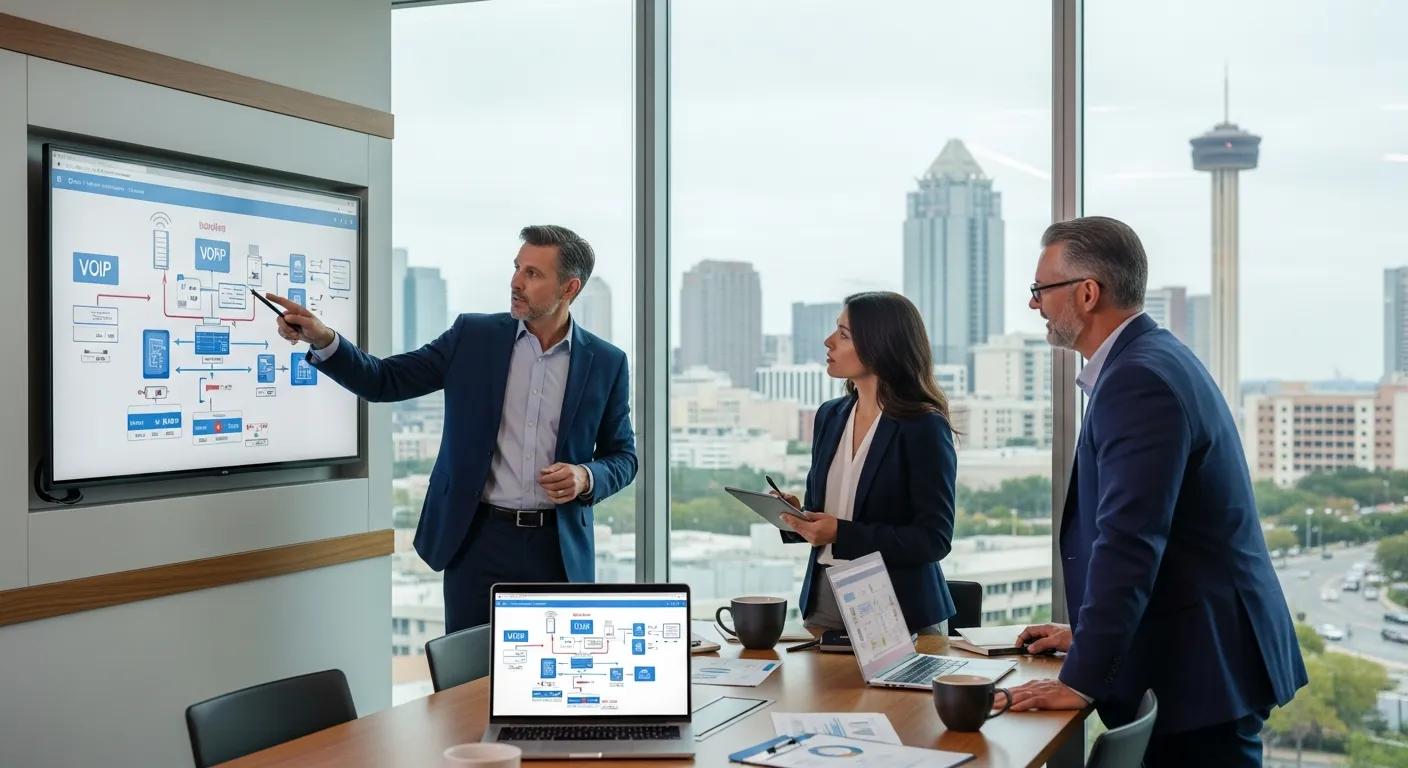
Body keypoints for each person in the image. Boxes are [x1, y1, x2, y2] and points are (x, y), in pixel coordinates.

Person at [1008, 216, 1306, 766]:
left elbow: (1130, 541)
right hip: (1198, 653)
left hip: (1201, 667)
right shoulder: (1150, 358)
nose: (1034, 306)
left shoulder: (1137, 378)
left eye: (1040, 290)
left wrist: (1083, 679)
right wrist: (1089, 635)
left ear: (1088, 292)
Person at [266, 225, 637, 633]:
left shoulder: (607, 362)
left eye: (533, 274)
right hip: (476, 542)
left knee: (554, 681)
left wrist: (586, 476)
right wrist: (323, 338)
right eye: (517, 268)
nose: (516, 282)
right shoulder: (472, 337)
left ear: (569, 287)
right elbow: (383, 380)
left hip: (559, 550)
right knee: (465, 682)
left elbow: (623, 457)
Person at [771, 291, 958, 634]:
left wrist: (841, 532)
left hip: (899, 606)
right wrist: (800, 516)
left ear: (880, 345)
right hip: (825, 601)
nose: (828, 342)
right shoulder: (830, 415)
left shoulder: (923, 426)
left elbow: (933, 539)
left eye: (843, 335)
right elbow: (827, 515)